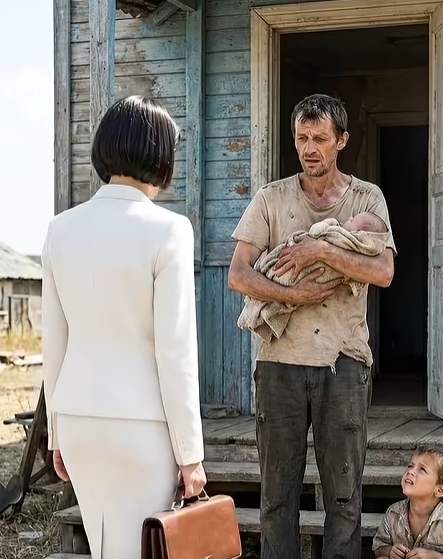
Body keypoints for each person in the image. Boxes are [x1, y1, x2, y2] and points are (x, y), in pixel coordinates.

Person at [228, 93, 396, 559]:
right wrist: (294, 295)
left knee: (344, 497)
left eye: (320, 138)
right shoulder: (271, 198)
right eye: (302, 137)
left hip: (344, 363)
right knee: (277, 497)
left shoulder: (367, 198)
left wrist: (321, 250)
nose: (309, 147)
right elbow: (238, 274)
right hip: (279, 364)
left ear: (341, 140)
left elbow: (383, 271)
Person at [42, 95, 206, 559]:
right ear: (160, 155)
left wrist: (57, 434)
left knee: (106, 549)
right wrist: (190, 453)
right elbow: (175, 351)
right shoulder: (169, 229)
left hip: (78, 420)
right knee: (143, 550)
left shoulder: (60, 229)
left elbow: (54, 342)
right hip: (142, 426)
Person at [373, 446, 443, 559]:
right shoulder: (394, 513)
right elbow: (378, 548)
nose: (410, 471)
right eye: (410, 465)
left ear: (440, 490)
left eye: (422, 469)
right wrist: (390, 551)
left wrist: (434, 557)